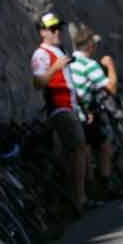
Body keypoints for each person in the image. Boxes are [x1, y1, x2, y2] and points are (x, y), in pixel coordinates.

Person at [31, 12, 90, 213]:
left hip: (71, 105)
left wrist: (82, 106)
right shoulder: (41, 54)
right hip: (59, 107)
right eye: (52, 29)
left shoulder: (60, 49)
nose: (57, 32)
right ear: (42, 32)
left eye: (59, 28)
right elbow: (38, 82)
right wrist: (55, 67)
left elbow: (69, 81)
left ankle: (76, 197)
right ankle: (79, 199)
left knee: (76, 153)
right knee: (79, 148)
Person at [69, 23, 123, 199]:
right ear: (90, 45)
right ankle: (105, 185)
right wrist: (110, 65)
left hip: (70, 110)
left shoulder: (70, 61)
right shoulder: (89, 64)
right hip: (84, 112)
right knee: (104, 143)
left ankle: (88, 191)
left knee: (85, 149)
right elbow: (111, 88)